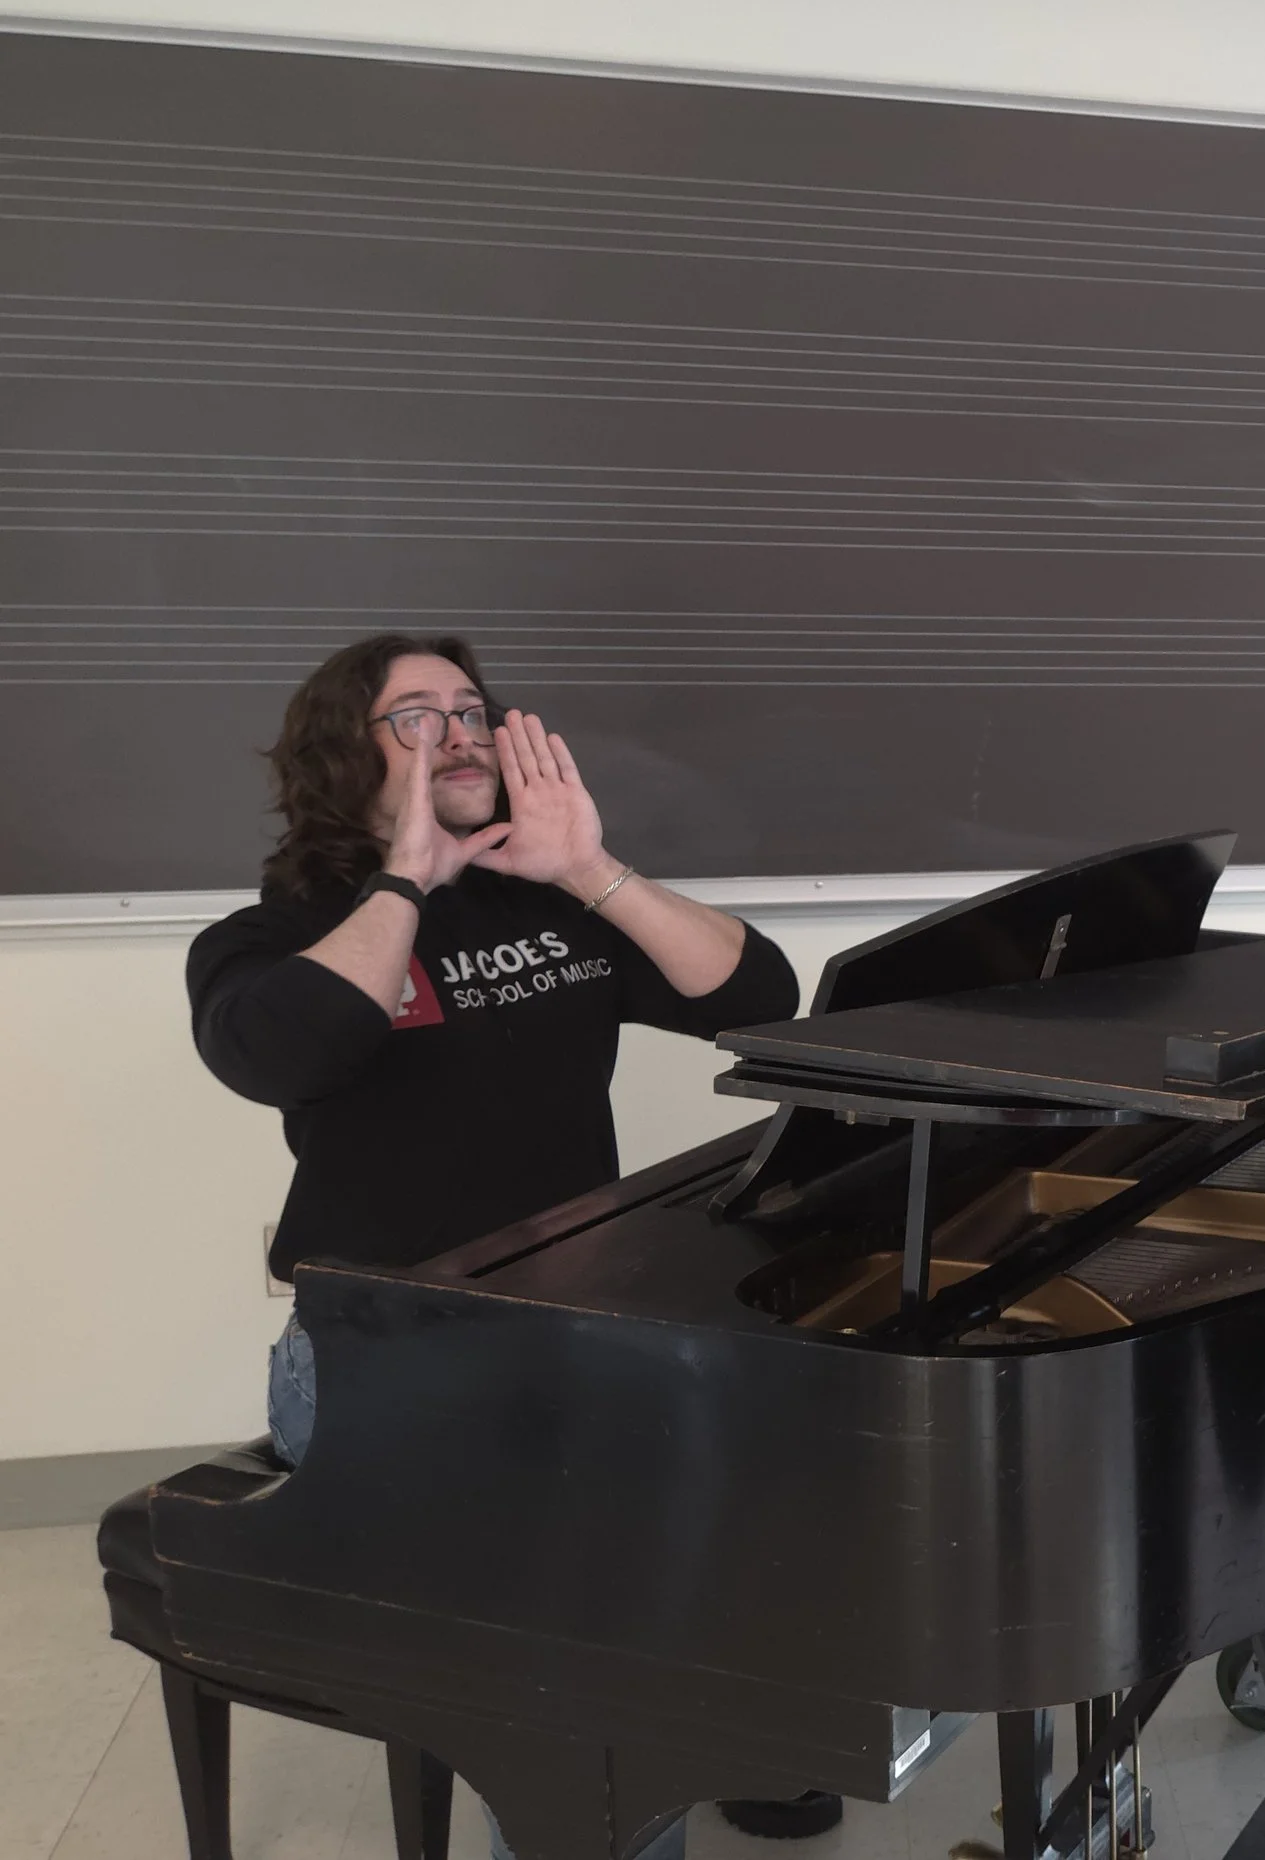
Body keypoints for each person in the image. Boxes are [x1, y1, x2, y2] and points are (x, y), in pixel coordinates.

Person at [188, 633, 808, 1859]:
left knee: (774, 1487)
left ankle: (748, 1739)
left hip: (582, 1332)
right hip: (386, 1360)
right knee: (574, 1626)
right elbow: (283, 1052)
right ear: (342, 755)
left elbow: (757, 1000)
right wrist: (406, 880)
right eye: (416, 715)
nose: (462, 733)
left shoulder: (550, 901)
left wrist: (590, 868)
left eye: (472, 709)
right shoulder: (272, 936)